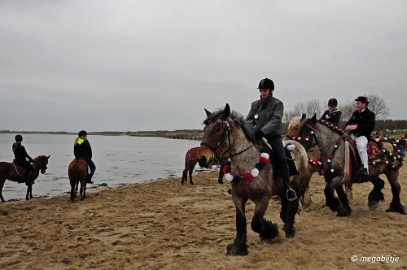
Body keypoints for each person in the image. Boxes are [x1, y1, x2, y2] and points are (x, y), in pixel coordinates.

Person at [247, 78, 297, 201]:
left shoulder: (277, 104)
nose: (263, 92)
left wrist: (263, 131)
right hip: (257, 136)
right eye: (261, 90)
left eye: (265, 90)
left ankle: (287, 187)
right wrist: (248, 130)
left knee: (281, 157)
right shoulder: (255, 105)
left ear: (270, 91)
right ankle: (242, 184)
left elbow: (276, 121)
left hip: (272, 137)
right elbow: (248, 120)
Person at [345, 96, 375, 178]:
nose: (356, 105)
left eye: (358, 103)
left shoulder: (370, 114)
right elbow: (348, 122)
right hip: (352, 135)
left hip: (363, 135)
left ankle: (365, 168)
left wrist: (357, 127)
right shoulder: (355, 113)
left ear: (364, 104)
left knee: (361, 146)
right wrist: (347, 126)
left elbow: (370, 127)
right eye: (356, 103)